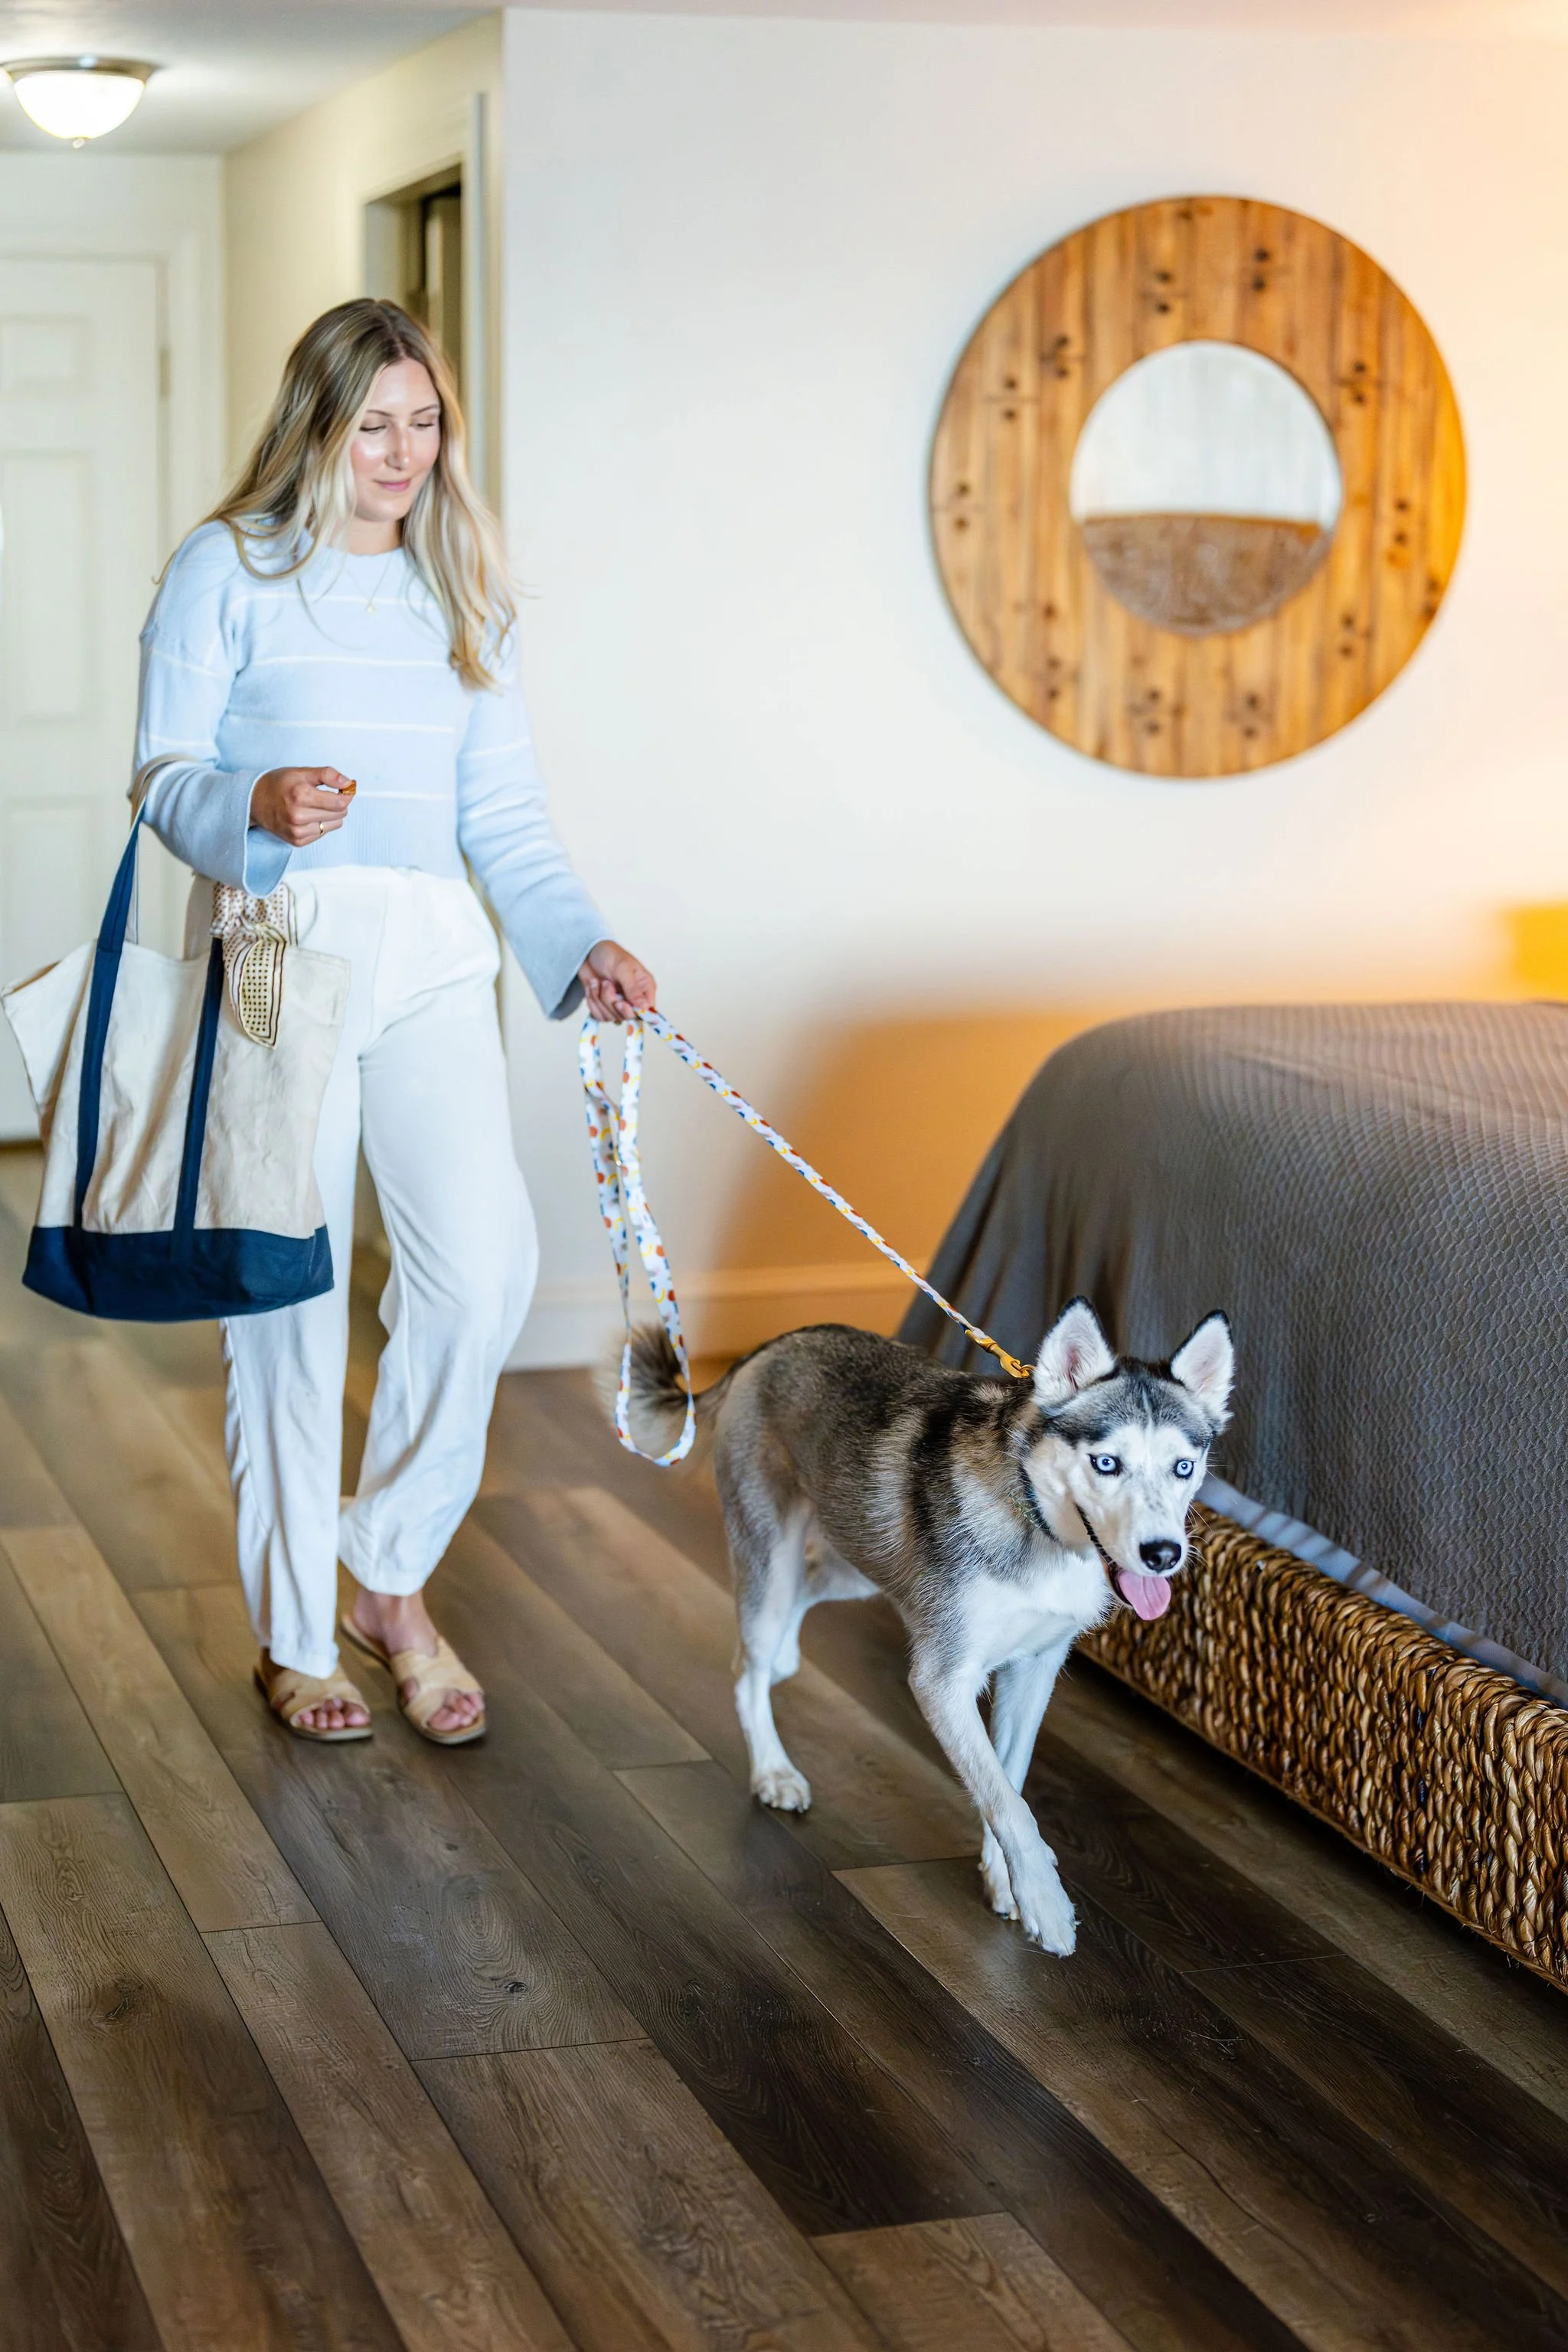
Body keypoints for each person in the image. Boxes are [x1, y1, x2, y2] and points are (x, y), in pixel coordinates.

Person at [136, 298, 655, 1744]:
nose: (404, 451)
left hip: (432, 955)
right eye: (376, 424)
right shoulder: (224, 571)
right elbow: (160, 772)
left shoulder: (463, 586)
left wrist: (581, 942)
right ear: (317, 421)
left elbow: (505, 819)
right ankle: (301, 1636)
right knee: (286, 1314)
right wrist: (250, 803)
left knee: (485, 1272)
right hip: (274, 956)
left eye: (425, 423)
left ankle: (385, 1571)